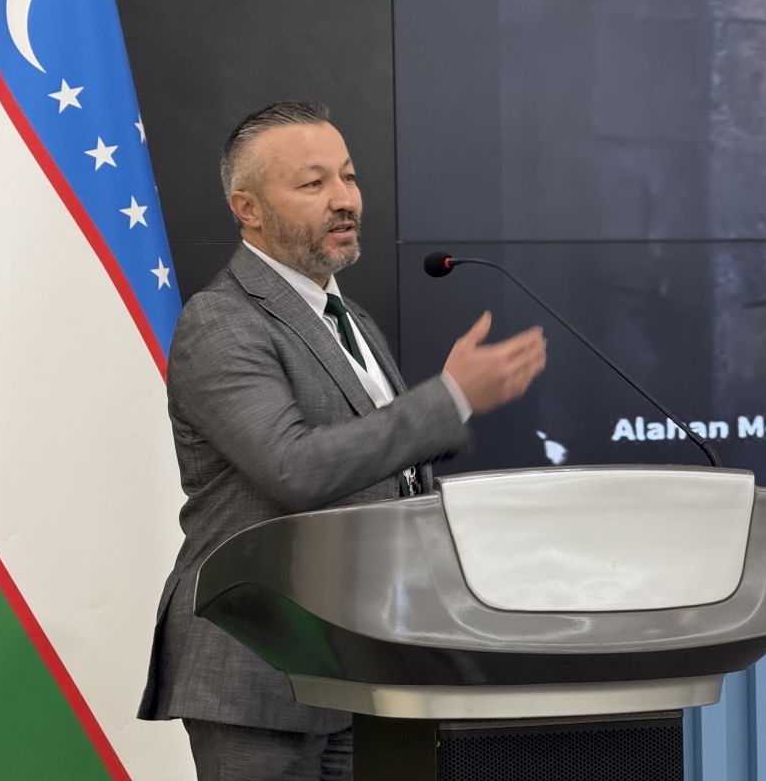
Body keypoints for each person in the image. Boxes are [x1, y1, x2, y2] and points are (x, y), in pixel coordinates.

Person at [137, 101, 547, 781]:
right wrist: (451, 397)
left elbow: (389, 476)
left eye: (349, 177)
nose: (344, 199)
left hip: (361, 665)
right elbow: (293, 467)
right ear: (247, 208)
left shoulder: (348, 317)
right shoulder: (222, 322)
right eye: (313, 182)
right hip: (259, 667)